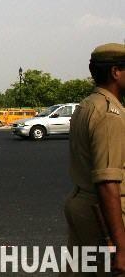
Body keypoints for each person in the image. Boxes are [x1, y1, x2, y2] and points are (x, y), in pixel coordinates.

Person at [61, 43, 125, 276]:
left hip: (81, 204)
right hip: (103, 214)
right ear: (115, 72)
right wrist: (121, 248)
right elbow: (108, 183)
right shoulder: (110, 115)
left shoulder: (86, 105)